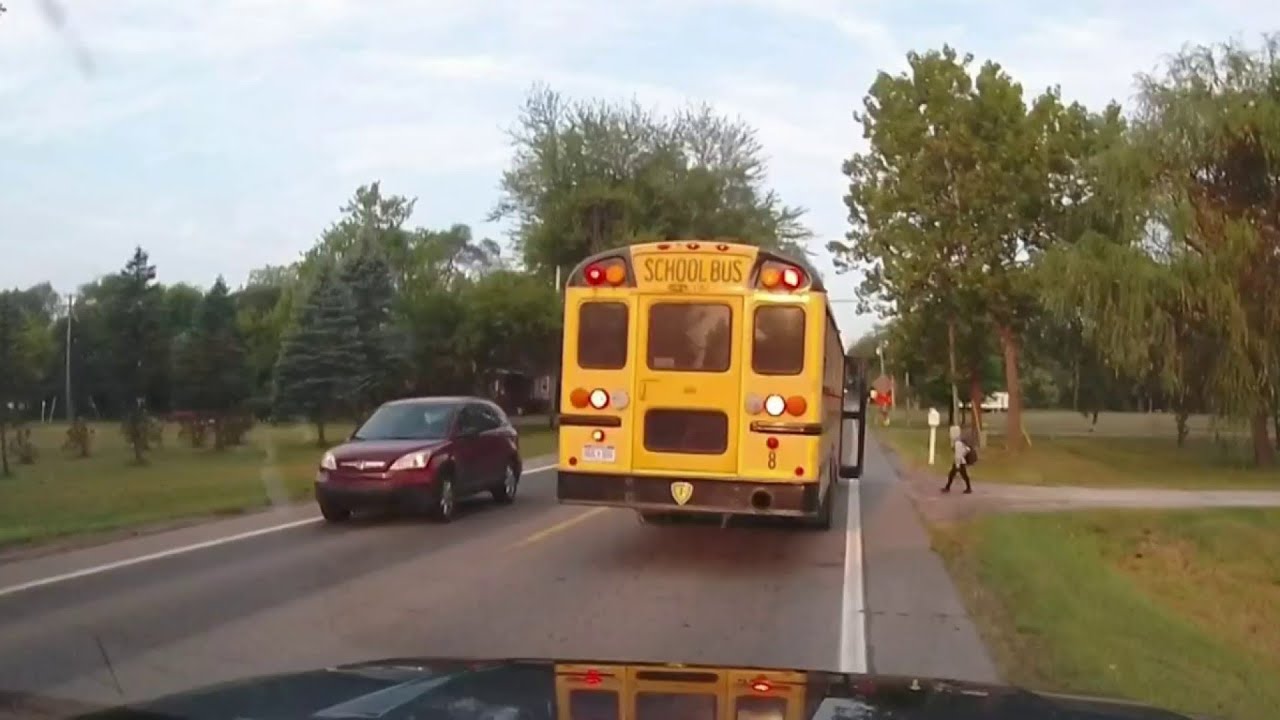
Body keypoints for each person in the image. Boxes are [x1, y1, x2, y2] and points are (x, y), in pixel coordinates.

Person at [943, 424, 972, 494]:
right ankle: (947, 487)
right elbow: (967, 449)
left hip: (959, 462)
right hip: (959, 461)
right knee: (953, 475)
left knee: (963, 475)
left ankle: (968, 488)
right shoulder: (958, 441)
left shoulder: (957, 443)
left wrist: (957, 464)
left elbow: (958, 454)